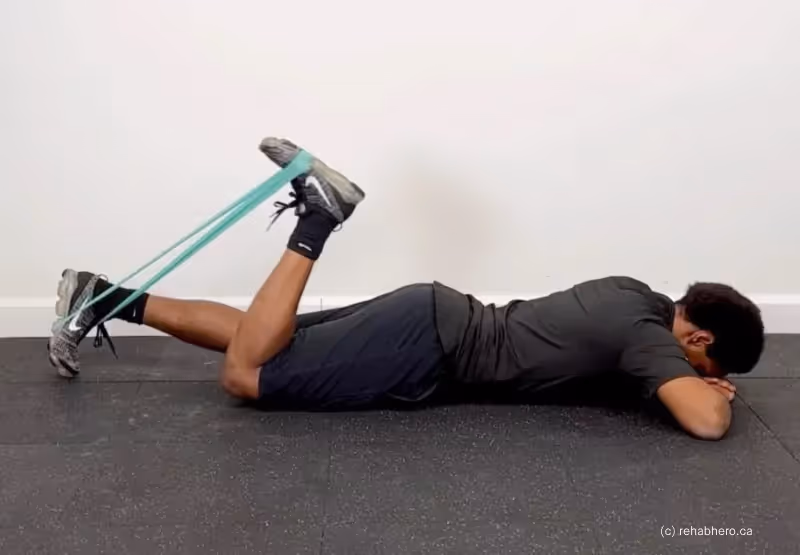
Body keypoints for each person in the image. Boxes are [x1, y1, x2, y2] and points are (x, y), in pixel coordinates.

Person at [48, 137, 765, 440]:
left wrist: (691, 377)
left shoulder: (636, 293)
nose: (700, 377)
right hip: (429, 346)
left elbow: (613, 365)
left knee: (259, 337)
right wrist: (710, 393)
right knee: (246, 375)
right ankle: (317, 222)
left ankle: (101, 295)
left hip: (431, 314)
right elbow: (704, 422)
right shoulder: (649, 340)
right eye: (708, 364)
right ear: (695, 335)